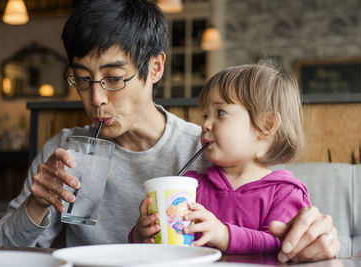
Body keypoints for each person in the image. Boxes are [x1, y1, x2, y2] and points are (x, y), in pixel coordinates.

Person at [0, 0, 339, 263]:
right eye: (83, 80)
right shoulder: (64, 152)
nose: (96, 98)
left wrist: (311, 239)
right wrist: (36, 206)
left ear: (155, 67)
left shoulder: (209, 150)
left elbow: (275, 215)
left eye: (114, 78)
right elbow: (5, 249)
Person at [132, 63, 311, 255]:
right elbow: (172, 246)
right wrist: (142, 235)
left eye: (221, 113)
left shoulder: (285, 192)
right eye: (205, 115)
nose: (206, 124)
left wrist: (224, 235)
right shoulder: (192, 187)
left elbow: (283, 245)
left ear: (266, 125)